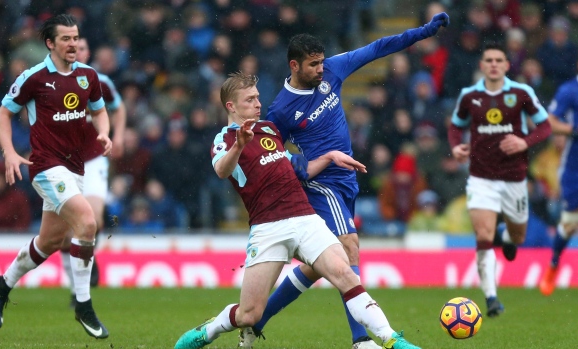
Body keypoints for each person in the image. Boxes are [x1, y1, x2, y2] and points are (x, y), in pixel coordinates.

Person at [240, 12, 450, 349]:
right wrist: (307, 165)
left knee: (319, 267)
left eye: (322, 62)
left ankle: (257, 322)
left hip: (347, 179)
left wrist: (423, 33)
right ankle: (361, 339)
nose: (321, 69)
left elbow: (379, 47)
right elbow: (273, 156)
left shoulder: (334, 70)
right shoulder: (281, 110)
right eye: (313, 65)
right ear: (294, 66)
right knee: (350, 247)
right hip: (321, 184)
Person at [174, 72, 421, 349]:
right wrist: (239, 146)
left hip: (305, 218)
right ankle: (209, 330)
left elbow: (297, 169)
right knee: (249, 314)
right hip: (269, 227)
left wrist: (328, 157)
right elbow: (222, 170)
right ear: (231, 106)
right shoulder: (225, 139)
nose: (258, 103)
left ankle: (391, 340)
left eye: (257, 96)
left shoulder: (268, 129)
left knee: (346, 275)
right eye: (250, 99)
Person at [0, 14, 111, 339]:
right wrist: (10, 153)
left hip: (75, 167)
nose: (73, 44)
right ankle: (84, 305)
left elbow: (99, 110)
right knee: (86, 222)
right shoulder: (34, 77)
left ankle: (2, 284)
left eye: (76, 38)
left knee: (51, 241)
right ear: (50, 43)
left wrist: (105, 133)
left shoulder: (88, 76)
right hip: (45, 166)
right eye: (66, 39)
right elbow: (3, 114)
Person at [448, 42, 550, 317]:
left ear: (506, 65)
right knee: (483, 235)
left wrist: (523, 142)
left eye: (499, 60)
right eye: (489, 60)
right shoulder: (470, 96)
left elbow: (546, 126)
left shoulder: (521, 93)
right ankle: (491, 298)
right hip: (481, 177)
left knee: (518, 235)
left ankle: (508, 237)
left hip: (514, 178)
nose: (493, 64)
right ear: (482, 66)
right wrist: (456, 146)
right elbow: (455, 127)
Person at [59, 36, 126, 308]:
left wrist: (118, 136)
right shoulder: (52, 81)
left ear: (87, 53)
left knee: (93, 218)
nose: (78, 51)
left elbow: (118, 107)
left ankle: (88, 266)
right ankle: (77, 290)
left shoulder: (99, 81)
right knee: (64, 234)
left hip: (94, 159)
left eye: (84, 47)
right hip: (62, 161)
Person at [539, 49, 578, 296]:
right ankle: (554, 263)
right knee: (569, 223)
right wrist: (576, 130)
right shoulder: (570, 90)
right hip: (577, 165)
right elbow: (550, 121)